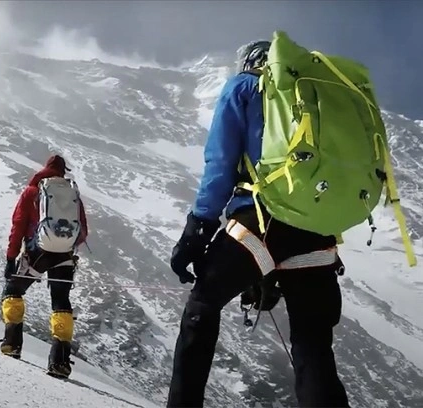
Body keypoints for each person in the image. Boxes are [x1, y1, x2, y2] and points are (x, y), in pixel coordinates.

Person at [166, 40, 349, 408]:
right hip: (318, 233)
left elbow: (220, 162)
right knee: (312, 345)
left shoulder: (244, 86)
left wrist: (196, 230)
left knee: (202, 306)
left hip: (260, 219)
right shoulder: (315, 97)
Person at [0, 155, 89, 378]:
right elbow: (83, 232)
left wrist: (11, 258)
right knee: (61, 304)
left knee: (13, 291)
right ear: (62, 171)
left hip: (36, 253)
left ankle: (12, 345)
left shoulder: (32, 191)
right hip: (64, 256)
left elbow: (18, 225)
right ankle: (59, 362)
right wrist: (63, 244)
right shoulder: (72, 195)